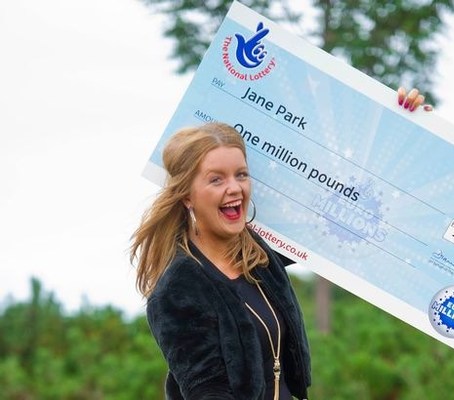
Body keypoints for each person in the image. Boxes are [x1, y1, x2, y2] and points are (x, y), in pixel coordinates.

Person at [130, 87, 430, 400]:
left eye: (241, 174)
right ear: (187, 196)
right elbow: (208, 391)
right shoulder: (177, 289)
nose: (235, 188)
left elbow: (348, 205)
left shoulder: (260, 256)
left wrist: (403, 121)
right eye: (216, 179)